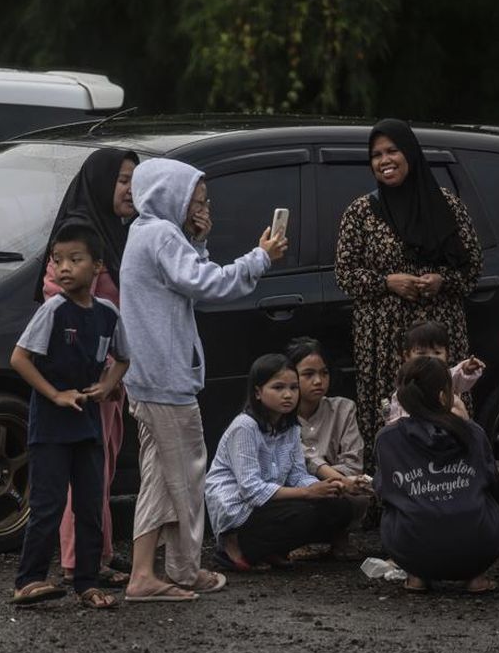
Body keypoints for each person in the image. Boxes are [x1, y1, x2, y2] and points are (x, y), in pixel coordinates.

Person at [119, 157, 287, 602]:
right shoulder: (160, 234)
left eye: (203, 199)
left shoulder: (146, 232)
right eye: (195, 198)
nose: (201, 205)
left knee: (160, 478)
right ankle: (185, 570)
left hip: (150, 378)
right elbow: (206, 284)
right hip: (166, 379)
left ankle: (147, 574)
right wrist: (260, 260)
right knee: (188, 478)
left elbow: (185, 277)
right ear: (169, 195)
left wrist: (199, 237)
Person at [335, 119, 483, 462]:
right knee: (392, 419)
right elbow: (344, 274)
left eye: (392, 151)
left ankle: (453, 489)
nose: (384, 160)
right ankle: (393, 502)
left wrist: (441, 281)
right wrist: (388, 282)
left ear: (411, 154)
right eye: (376, 154)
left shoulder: (447, 206)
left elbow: (472, 268)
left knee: (446, 409)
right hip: (386, 341)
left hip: (440, 336)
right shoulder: (360, 212)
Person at [9, 223, 130, 609]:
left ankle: (87, 582)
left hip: (89, 423)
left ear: (97, 266)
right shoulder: (54, 309)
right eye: (57, 260)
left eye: (75, 260)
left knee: (91, 504)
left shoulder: (108, 313)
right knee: (48, 505)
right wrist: (55, 394)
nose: (64, 268)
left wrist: (108, 384)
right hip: (50, 424)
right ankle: (28, 580)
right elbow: (19, 358)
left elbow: (124, 357)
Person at [37, 148, 139, 587]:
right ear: (99, 183)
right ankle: (80, 561)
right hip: (85, 381)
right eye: (121, 179)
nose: (130, 189)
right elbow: (61, 306)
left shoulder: (114, 235)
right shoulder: (79, 242)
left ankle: (98, 553)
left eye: (135, 179)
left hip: (110, 379)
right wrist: (94, 373)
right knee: (84, 477)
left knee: (102, 471)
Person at [204, 354, 355, 570]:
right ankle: (233, 547)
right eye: (278, 387)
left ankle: (270, 549)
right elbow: (251, 490)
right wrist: (307, 493)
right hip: (239, 510)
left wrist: (325, 487)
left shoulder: (290, 427)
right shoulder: (245, 427)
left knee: (339, 508)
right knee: (304, 514)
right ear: (258, 392)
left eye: (293, 388)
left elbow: (297, 475)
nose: (288, 395)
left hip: (269, 504)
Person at [374, 356, 499, 594]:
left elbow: (382, 491)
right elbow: (492, 480)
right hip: (480, 547)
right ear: (444, 396)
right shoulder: (473, 433)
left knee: (397, 510)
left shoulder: (387, 438)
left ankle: (417, 576)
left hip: (411, 548)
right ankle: (476, 577)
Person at [286, 337, 370, 559]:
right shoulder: (282, 415)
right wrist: (333, 481)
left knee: (360, 493)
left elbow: (353, 461)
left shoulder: (343, 408)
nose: (318, 381)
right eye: (308, 374)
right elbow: (299, 459)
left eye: (324, 373)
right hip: (300, 491)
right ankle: (294, 539)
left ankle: (339, 536)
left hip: (339, 490)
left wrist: (336, 482)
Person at [383, 321, 483, 424]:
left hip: (443, 433)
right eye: (421, 353)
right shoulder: (405, 384)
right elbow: (394, 418)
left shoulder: (446, 377)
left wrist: (467, 369)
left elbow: (459, 376)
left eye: (437, 353)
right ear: (407, 356)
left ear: (447, 355)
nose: (430, 358)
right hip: (412, 435)